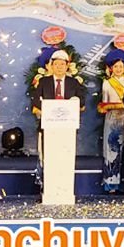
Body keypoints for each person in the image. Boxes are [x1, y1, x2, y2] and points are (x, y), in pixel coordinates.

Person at [32, 49, 86, 186]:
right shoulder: (43, 81)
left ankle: (64, 185)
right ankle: (46, 185)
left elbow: (82, 101)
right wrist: (50, 109)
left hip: (67, 127)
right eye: (56, 64)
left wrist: (73, 104)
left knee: (65, 156)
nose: (59, 67)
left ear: (67, 66)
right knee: (48, 156)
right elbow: (35, 101)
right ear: (51, 66)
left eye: (62, 64)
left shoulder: (74, 82)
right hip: (48, 126)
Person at [98, 49, 124, 193]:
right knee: (111, 148)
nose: (118, 69)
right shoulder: (107, 83)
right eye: (116, 66)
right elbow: (104, 103)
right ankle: (111, 182)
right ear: (111, 68)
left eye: (121, 66)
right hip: (112, 118)